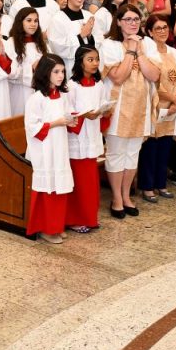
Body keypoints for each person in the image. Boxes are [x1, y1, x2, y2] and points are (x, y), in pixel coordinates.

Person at [101, 4, 161, 218]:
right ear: (118, 22)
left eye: (136, 19)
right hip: (117, 107)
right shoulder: (109, 44)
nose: (133, 23)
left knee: (133, 154)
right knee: (116, 153)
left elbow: (154, 75)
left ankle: (127, 196)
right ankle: (116, 198)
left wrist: (140, 51)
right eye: (128, 19)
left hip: (141, 106)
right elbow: (118, 76)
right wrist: (130, 50)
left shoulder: (148, 43)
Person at [24, 54, 76, 244]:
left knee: (60, 185)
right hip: (44, 149)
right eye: (56, 71)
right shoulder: (36, 99)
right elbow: (32, 127)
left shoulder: (62, 96)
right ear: (45, 73)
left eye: (62, 71)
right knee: (48, 186)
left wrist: (71, 120)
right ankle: (46, 228)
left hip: (59, 146)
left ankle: (57, 225)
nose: (61, 75)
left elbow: (67, 115)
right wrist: (56, 123)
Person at [138, 17, 176, 202]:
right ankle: (147, 187)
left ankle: (161, 184)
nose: (162, 31)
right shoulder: (148, 53)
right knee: (151, 147)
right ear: (150, 32)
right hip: (155, 104)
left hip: (172, 107)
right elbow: (153, 81)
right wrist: (173, 99)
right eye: (157, 28)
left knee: (165, 146)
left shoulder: (174, 51)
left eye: (165, 27)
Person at [65, 46, 104, 233]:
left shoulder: (99, 84)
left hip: (92, 136)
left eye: (97, 59)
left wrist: (104, 112)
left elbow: (101, 105)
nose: (95, 63)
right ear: (80, 62)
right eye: (90, 59)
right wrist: (83, 116)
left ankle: (90, 217)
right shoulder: (72, 86)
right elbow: (67, 112)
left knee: (90, 182)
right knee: (79, 182)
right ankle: (75, 219)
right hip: (78, 138)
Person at [6, 7, 48, 116]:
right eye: (29, 20)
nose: (33, 24)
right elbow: (10, 71)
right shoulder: (11, 43)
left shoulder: (41, 43)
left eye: (36, 21)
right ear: (20, 22)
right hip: (20, 93)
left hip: (40, 91)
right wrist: (31, 68)